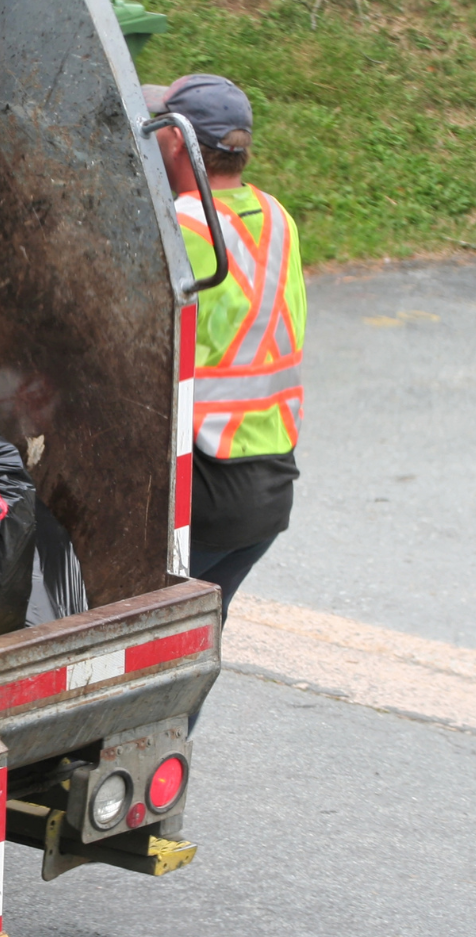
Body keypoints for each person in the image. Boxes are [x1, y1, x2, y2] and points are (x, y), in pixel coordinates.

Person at [146, 75, 305, 615]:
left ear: (174, 139)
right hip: (270, 489)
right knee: (187, 646)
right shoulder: (277, 217)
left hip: (204, 489)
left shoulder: (181, 224)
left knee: (133, 646)